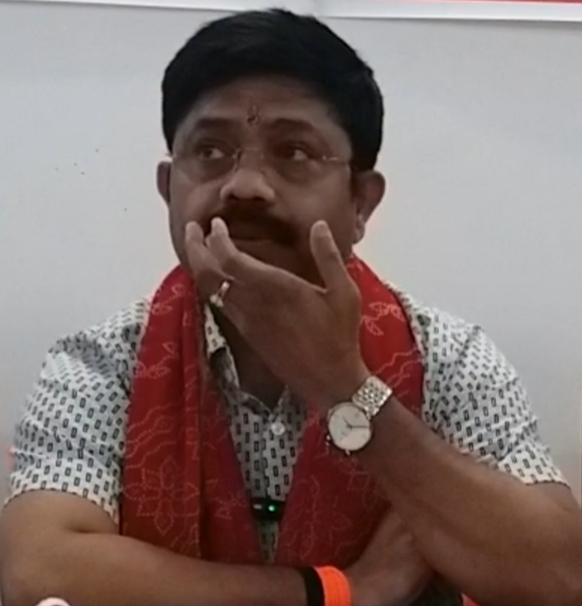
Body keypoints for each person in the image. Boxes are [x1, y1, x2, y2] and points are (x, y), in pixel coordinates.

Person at [1, 9, 581, 606]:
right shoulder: (99, 365)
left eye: (295, 152)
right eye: (210, 150)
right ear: (168, 188)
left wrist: (345, 388)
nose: (245, 185)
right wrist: (343, 592)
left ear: (361, 202)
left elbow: (561, 577)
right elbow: (38, 570)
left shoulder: (449, 362)